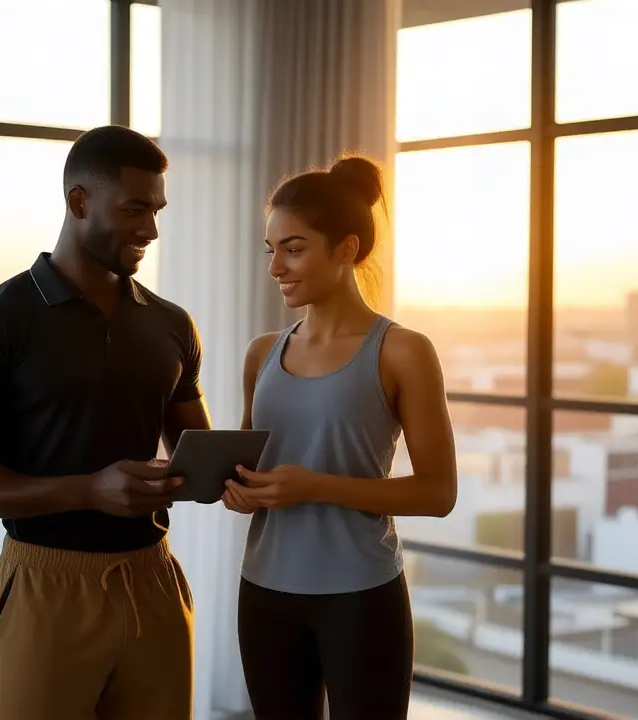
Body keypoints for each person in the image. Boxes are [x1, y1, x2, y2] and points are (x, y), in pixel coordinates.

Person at [0, 125, 211, 720]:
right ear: (79, 202)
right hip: (45, 586)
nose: (150, 229)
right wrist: (89, 491)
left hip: (153, 580)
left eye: (156, 210)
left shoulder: (171, 325)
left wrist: (234, 473)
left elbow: (198, 455)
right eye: (134, 209)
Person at [223, 154, 459, 719]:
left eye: (295, 248)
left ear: (347, 249)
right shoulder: (262, 354)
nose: (276, 266)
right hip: (265, 592)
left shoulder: (402, 350)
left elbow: (437, 493)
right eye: (271, 249)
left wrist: (314, 487)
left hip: (359, 596)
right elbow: (253, 469)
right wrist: (237, 488)